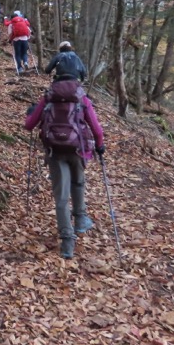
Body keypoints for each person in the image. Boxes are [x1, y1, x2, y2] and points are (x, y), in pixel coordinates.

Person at [25, 80, 105, 259]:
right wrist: (100, 146)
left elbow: (29, 125)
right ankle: (80, 220)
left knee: (61, 197)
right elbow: (97, 129)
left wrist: (30, 114)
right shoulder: (82, 99)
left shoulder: (47, 99)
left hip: (55, 151)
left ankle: (67, 243)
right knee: (78, 182)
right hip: (78, 150)